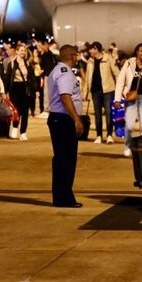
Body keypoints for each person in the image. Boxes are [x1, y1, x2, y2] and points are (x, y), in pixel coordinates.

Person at [47, 44, 85, 207]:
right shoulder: (66, 73)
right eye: (76, 55)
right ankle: (65, 197)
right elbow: (65, 97)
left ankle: (60, 196)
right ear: (72, 56)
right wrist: (76, 119)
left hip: (57, 118)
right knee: (67, 160)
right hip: (63, 119)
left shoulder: (56, 70)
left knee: (61, 159)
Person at [114, 43, 142, 157]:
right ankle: (127, 146)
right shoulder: (128, 63)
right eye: (141, 51)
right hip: (131, 98)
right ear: (136, 52)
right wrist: (117, 99)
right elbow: (120, 81)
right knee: (130, 125)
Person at [85, 41, 121, 144]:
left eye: (91, 49)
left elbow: (117, 73)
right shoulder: (90, 61)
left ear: (96, 49)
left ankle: (109, 135)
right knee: (97, 114)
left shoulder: (108, 58)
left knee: (109, 113)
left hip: (108, 90)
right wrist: (86, 92)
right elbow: (88, 77)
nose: (90, 51)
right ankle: (99, 136)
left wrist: (119, 89)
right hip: (95, 91)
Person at [7, 44, 35, 141]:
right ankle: (15, 128)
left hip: (25, 88)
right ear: (17, 51)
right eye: (21, 50)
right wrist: (5, 91)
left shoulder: (28, 64)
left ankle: (23, 132)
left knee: (25, 111)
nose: (23, 52)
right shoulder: (11, 63)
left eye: (24, 50)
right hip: (14, 89)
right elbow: (7, 78)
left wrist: (34, 90)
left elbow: (32, 78)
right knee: (16, 111)